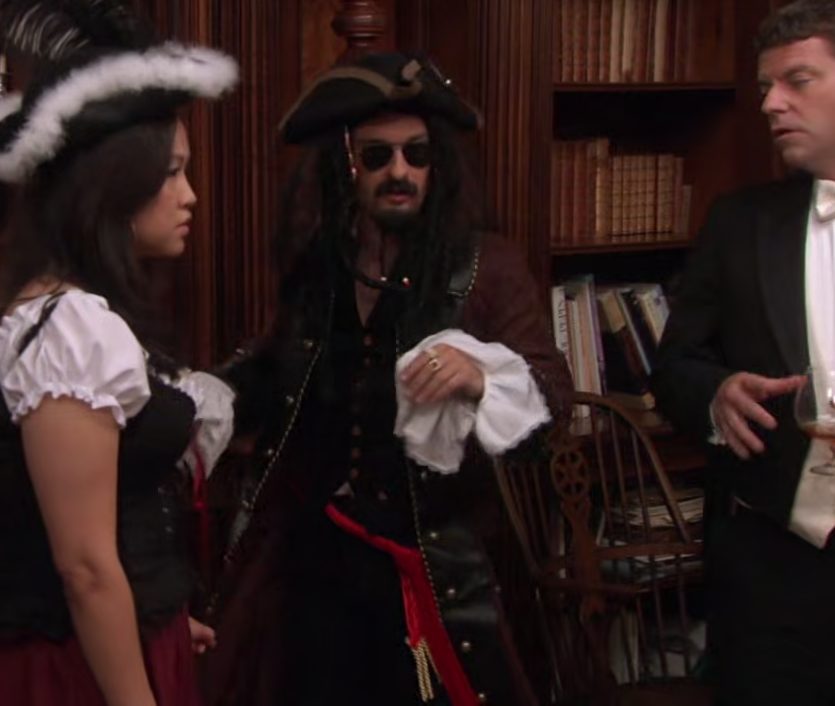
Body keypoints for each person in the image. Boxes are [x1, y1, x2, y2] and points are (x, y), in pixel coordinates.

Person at [200, 51, 573, 706]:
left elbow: (551, 399)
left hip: (428, 564)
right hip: (314, 563)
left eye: (416, 154)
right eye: (378, 156)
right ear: (347, 164)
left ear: (437, 164)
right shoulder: (322, 265)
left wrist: (480, 378)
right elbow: (276, 368)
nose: (399, 172)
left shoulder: (486, 267)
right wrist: (206, 396)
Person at [0, 0, 239, 704]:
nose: (191, 195)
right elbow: (83, 568)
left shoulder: (76, 313)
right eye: (171, 172)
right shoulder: (67, 327)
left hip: (109, 638)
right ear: (113, 188)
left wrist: (159, 615)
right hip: (65, 664)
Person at [651, 0, 835, 705]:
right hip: (768, 579)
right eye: (766, 85)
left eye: (798, 80)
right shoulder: (740, 221)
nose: (770, 104)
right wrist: (716, 395)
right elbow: (674, 366)